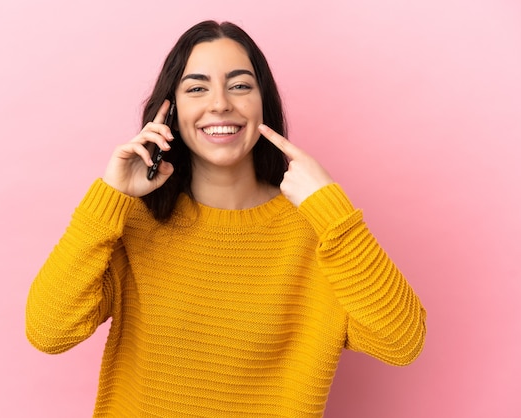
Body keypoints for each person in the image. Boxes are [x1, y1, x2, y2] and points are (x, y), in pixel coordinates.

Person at [25, 20, 426, 418]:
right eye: (197, 88)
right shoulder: (133, 224)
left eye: (239, 85)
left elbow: (402, 341)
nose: (220, 103)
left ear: (263, 103)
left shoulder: (318, 231)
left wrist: (332, 210)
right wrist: (109, 197)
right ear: (171, 110)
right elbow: (48, 332)